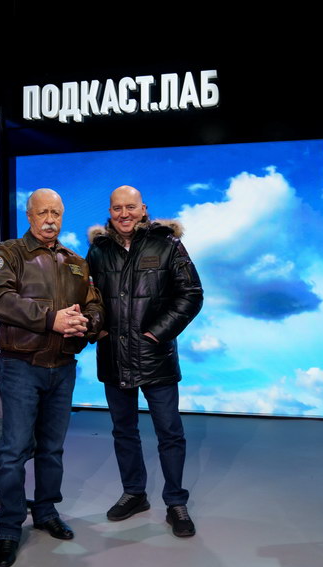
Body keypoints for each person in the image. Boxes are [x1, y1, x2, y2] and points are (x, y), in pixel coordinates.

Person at [0, 188, 104, 567]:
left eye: (56, 213)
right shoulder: (9, 253)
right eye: (43, 213)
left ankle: (46, 511)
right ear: (29, 215)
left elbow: (94, 303)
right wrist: (51, 318)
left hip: (63, 367)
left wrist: (88, 323)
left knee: (52, 449)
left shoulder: (75, 261)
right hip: (21, 366)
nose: (50, 220)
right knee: (14, 451)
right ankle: (8, 528)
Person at [86, 185, 203, 537]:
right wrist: (97, 328)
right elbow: (88, 297)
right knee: (124, 431)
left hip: (156, 358)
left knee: (170, 432)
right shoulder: (98, 250)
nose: (124, 214)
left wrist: (156, 334)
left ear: (143, 208)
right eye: (117, 208)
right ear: (110, 211)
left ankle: (176, 502)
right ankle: (134, 493)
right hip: (113, 356)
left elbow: (191, 294)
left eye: (130, 207)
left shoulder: (167, 244)